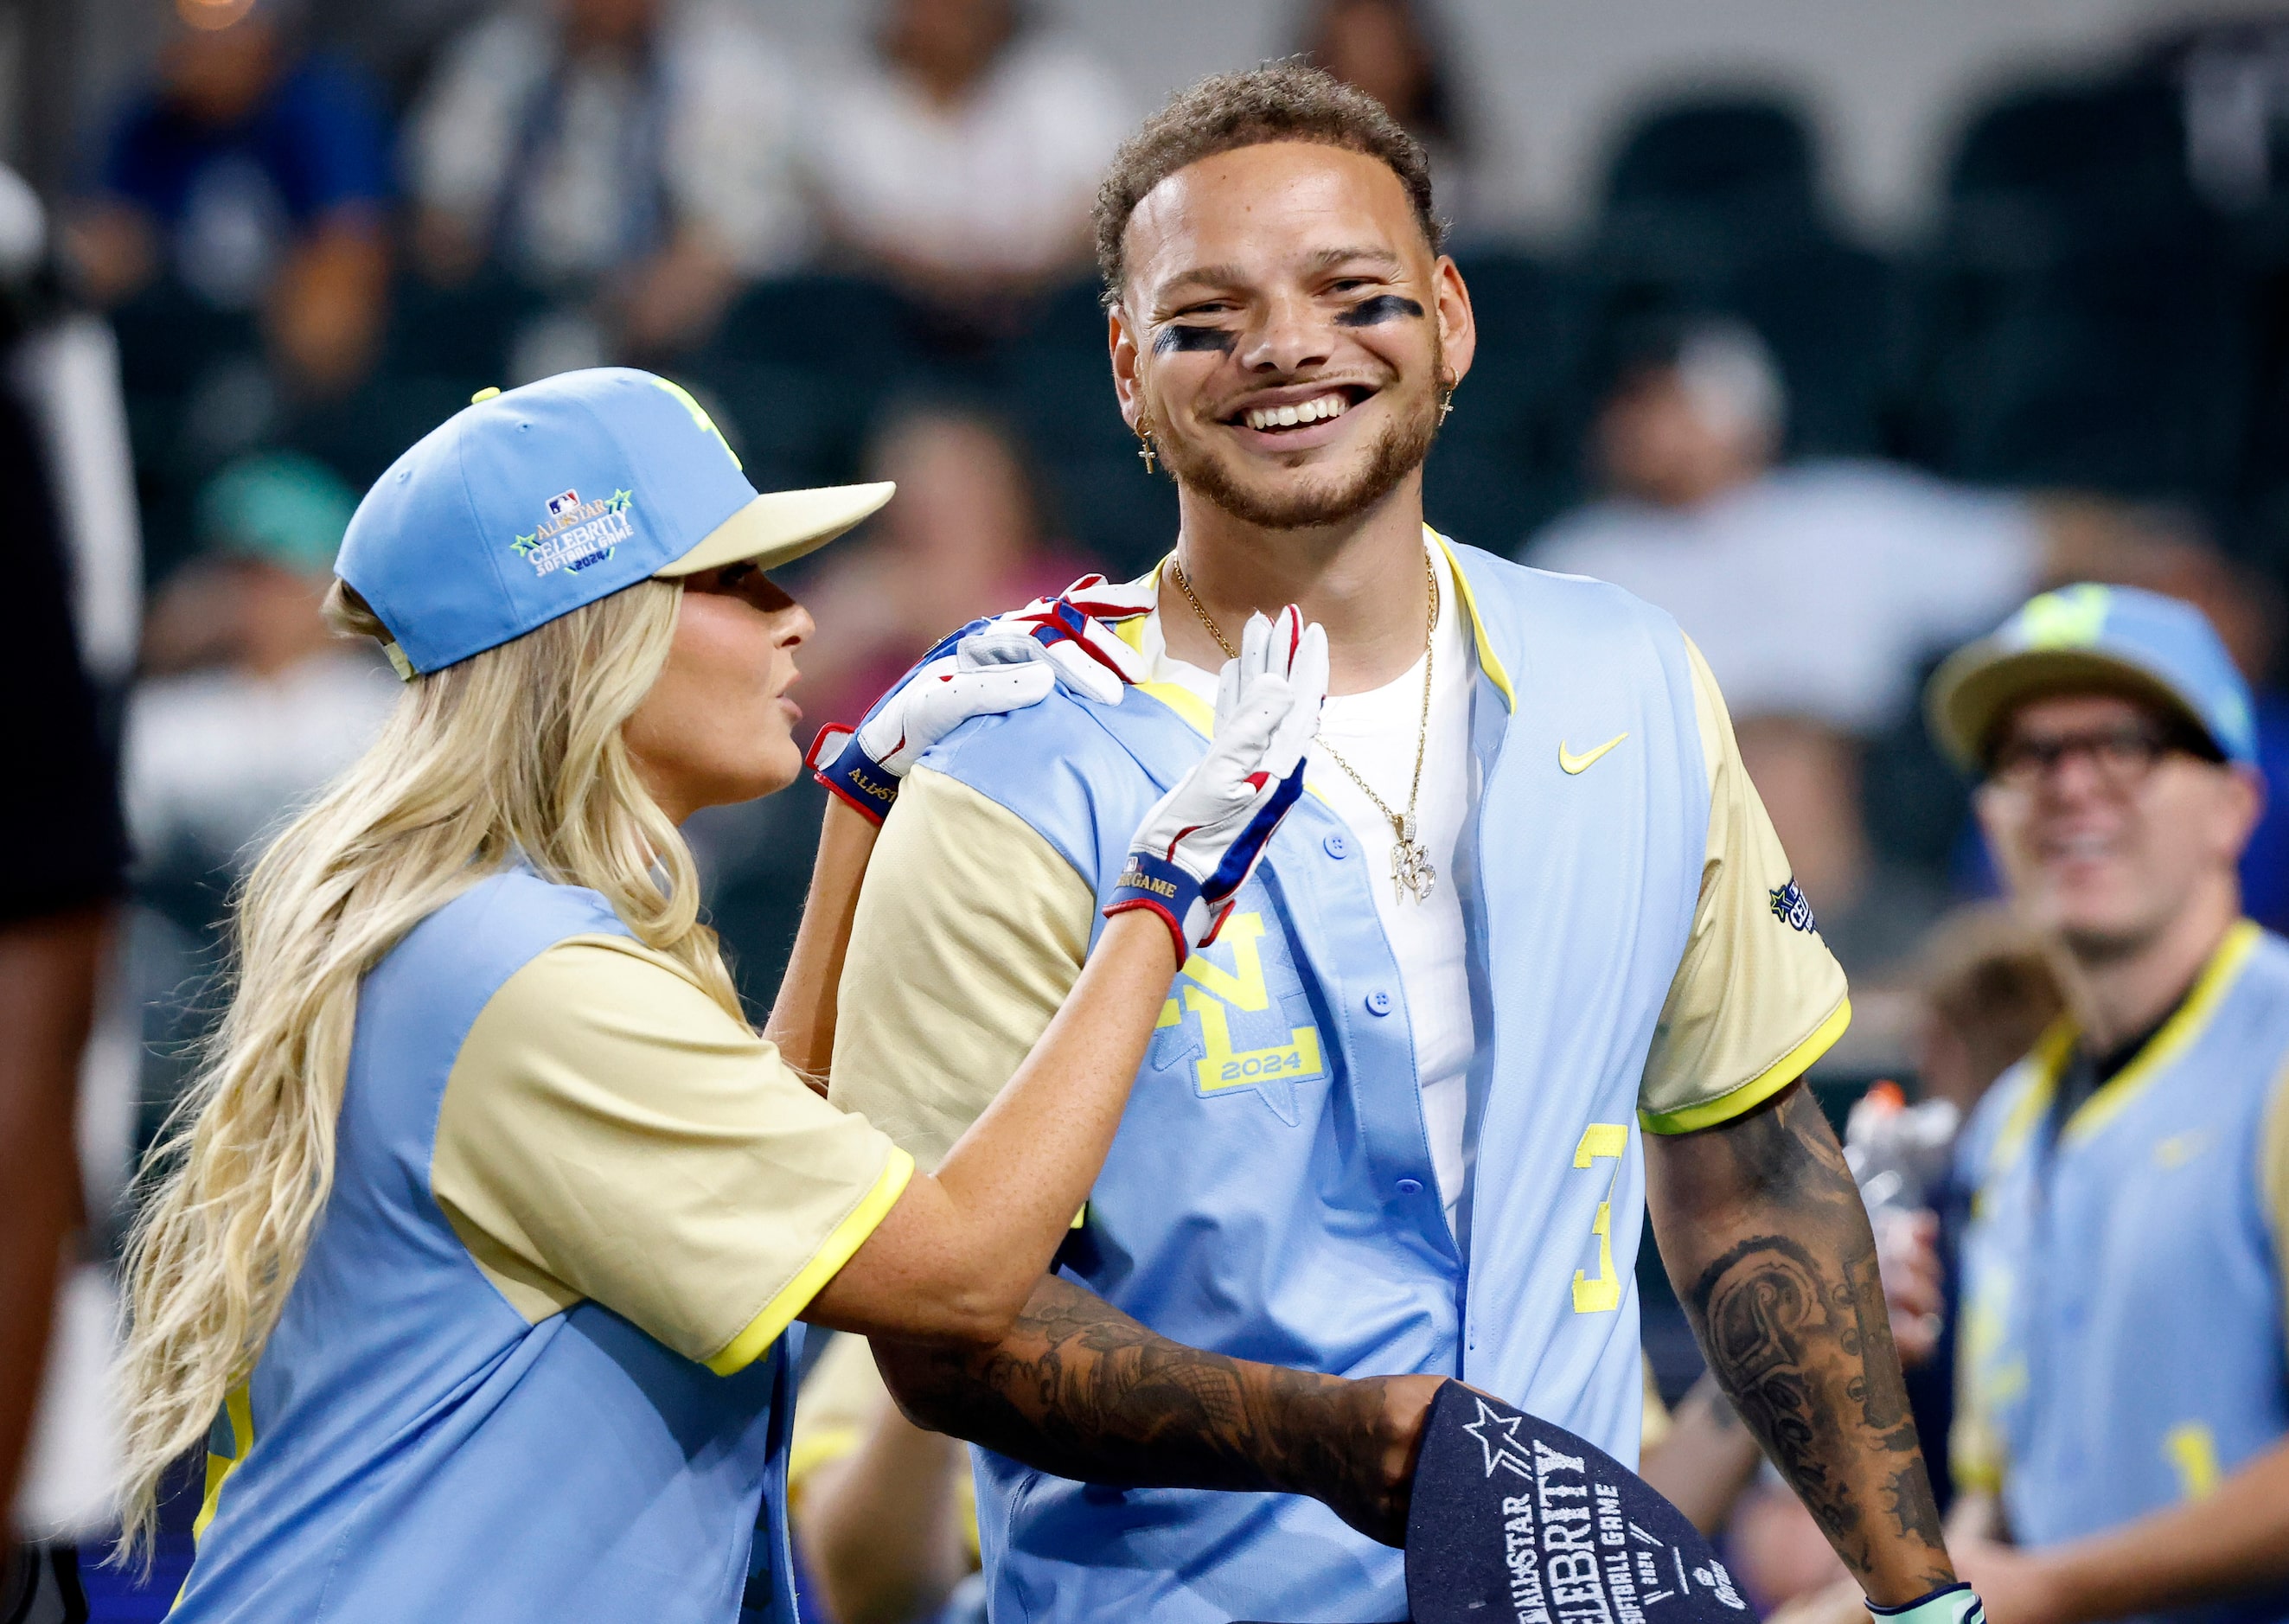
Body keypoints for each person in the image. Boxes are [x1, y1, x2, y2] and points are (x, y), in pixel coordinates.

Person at [804, 64, 1976, 1621]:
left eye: (1349, 291)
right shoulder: (1000, 770)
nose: (1285, 345)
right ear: (1123, 370)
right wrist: (1330, 1438)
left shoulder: (1627, 673)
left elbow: (1749, 1171)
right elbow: (944, 1329)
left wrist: (1917, 1594)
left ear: (1453, 317)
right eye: (1204, 316)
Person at [111, 367, 1357, 1622]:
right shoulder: (524, 977)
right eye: (731, 579)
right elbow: (963, 1275)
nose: (795, 618)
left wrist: (854, 820)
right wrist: (1162, 899)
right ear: (592, 630)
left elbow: (771, 1172)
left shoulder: (497, 929)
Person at [1918, 583, 2289, 1624]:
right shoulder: (2007, 1125)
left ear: (2235, 803)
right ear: (1989, 813)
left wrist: (2054, 1590)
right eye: (2025, 756)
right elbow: (2005, 1509)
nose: (2069, 787)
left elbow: (2035, 1576)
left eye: (2123, 744)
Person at [1523, 321, 2213, 738]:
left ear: (1741, 416)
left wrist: (2157, 547)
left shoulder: (1843, 514)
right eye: (1629, 406)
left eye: (1667, 403)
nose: (1637, 426)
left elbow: (2034, 539)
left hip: (1839, 809)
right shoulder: (1576, 551)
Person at [406, 0, 809, 359]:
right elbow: (440, 212)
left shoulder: (723, 62)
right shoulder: (500, 52)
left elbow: (743, 224)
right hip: (513, 305)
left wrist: (679, 280)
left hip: (660, 329)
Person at [71, 0, 390, 398]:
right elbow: (98, 257)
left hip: (288, 383)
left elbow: (348, 250)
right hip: (174, 368)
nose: (208, 40)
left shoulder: (323, 106)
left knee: (328, 317)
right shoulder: (148, 124)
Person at [801, 0, 1129, 318]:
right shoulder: (854, 99)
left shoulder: (1062, 83)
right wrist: (948, 275)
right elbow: (846, 216)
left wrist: (1022, 270)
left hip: (1047, 311)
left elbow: (1108, 196)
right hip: (891, 317)